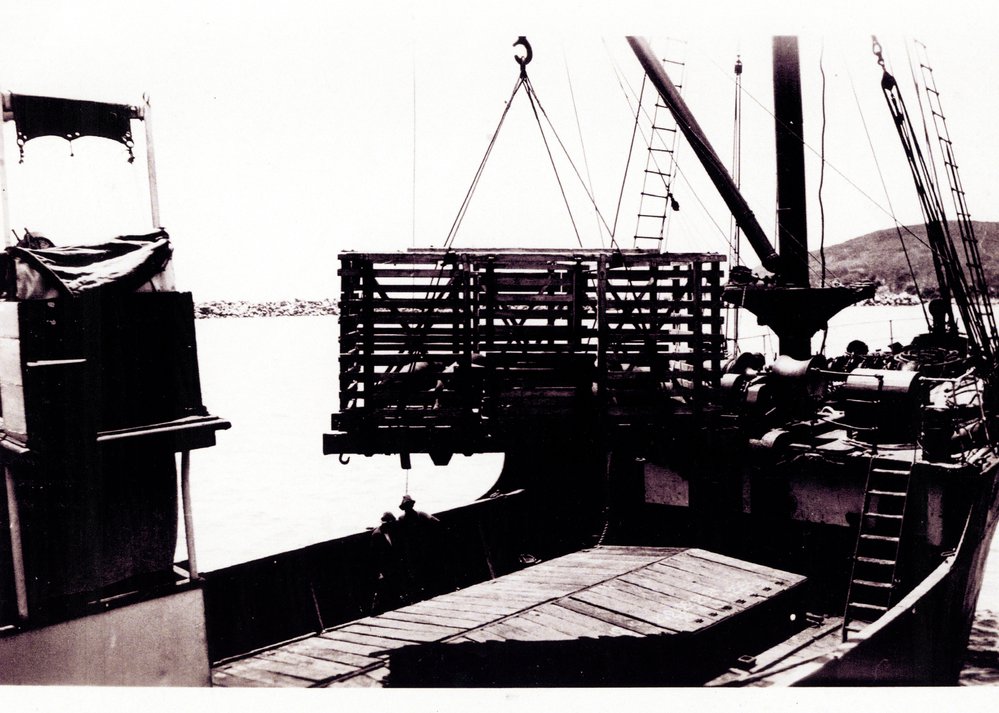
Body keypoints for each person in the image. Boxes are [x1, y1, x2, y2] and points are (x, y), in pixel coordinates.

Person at [395, 494, 445, 598]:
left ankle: (421, 593)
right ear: (412, 505)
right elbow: (436, 522)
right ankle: (430, 591)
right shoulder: (420, 514)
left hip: (411, 550)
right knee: (427, 569)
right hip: (423, 547)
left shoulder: (401, 519)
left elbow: (397, 533)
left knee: (416, 572)